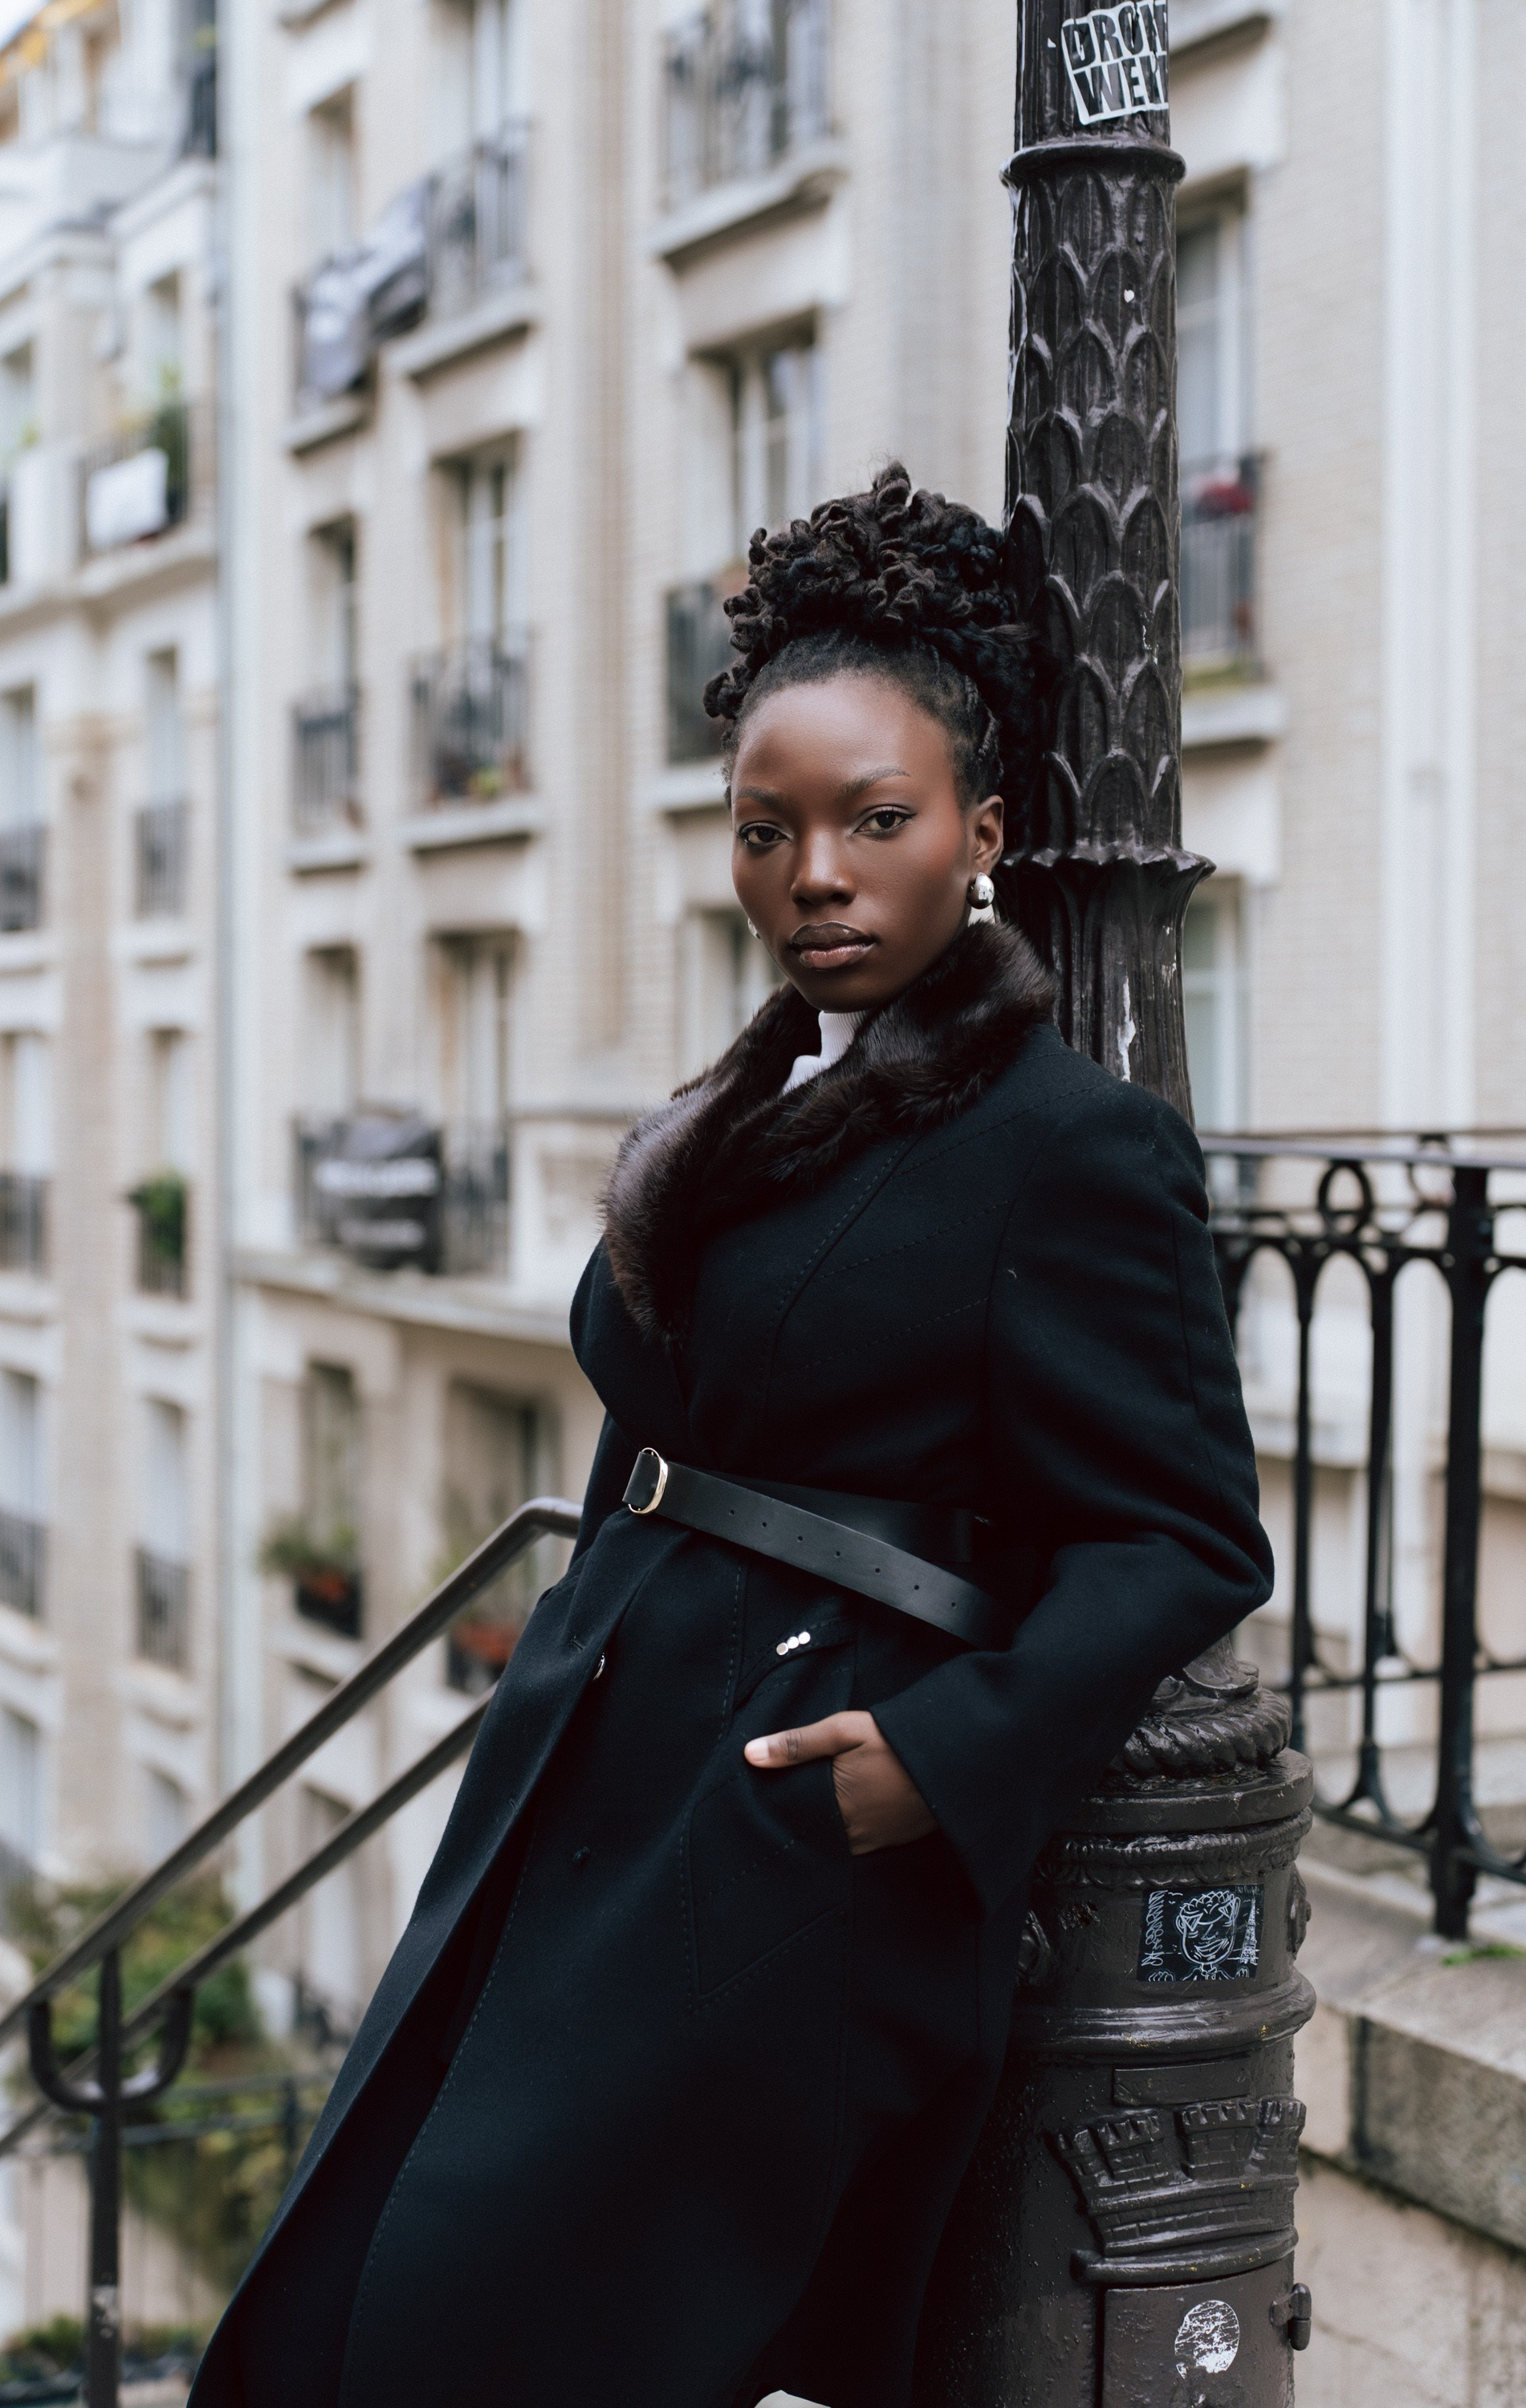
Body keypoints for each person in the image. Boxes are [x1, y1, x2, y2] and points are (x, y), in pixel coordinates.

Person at [189, 462, 1271, 2408]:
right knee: (355, 2285)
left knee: (510, 2325)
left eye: (875, 820)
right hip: (591, 1767)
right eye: (767, 832)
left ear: (981, 836)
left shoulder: (1071, 1149)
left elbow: (1184, 1536)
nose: (815, 875)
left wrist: (934, 1763)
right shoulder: (732, 1112)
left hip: (789, 1825)